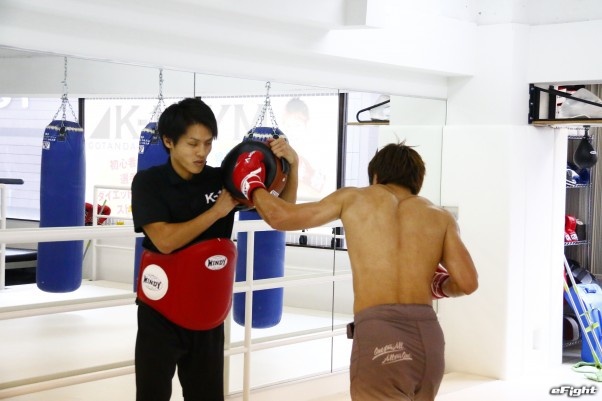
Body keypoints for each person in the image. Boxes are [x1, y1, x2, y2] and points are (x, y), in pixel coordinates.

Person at [230, 141, 478, 401]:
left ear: (376, 176)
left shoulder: (354, 198)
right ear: (417, 181)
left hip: (382, 335)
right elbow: (467, 283)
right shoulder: (440, 216)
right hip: (428, 339)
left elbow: (282, 217)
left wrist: (252, 184)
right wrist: (438, 285)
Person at [131, 97, 298, 401]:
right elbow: (165, 240)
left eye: (208, 143)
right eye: (193, 144)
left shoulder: (222, 179)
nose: (202, 152)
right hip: (160, 312)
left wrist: (291, 166)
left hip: (206, 309)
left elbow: (283, 214)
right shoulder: (149, 182)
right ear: (168, 141)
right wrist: (217, 212)